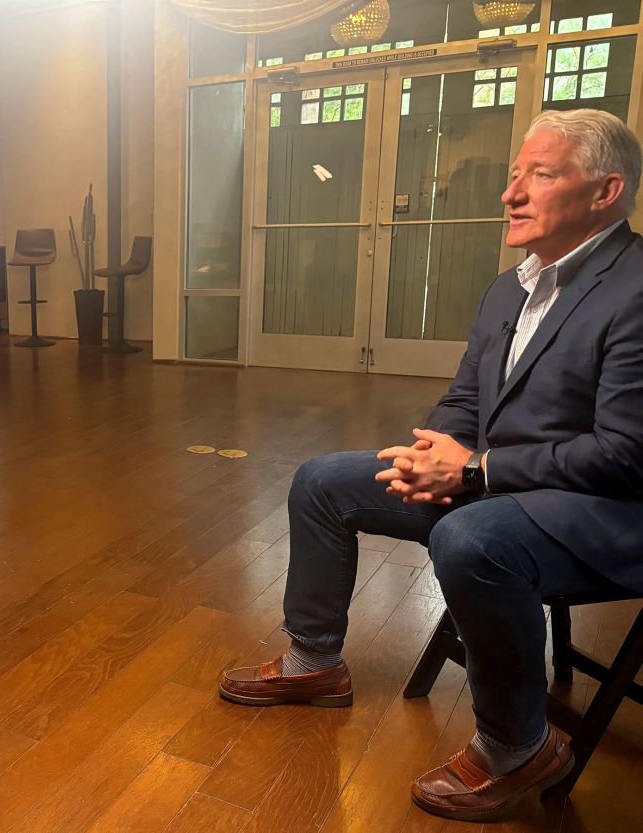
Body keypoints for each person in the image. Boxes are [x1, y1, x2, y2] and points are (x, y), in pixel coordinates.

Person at [218, 108, 643, 822]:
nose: (511, 194)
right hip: (500, 486)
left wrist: (475, 471)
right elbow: (465, 397)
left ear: (606, 192)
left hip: (602, 510)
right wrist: (429, 454)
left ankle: (517, 744)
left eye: (540, 175)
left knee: (470, 540)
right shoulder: (512, 286)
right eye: (514, 176)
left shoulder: (635, 289)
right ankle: (314, 661)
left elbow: (625, 454)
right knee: (322, 480)